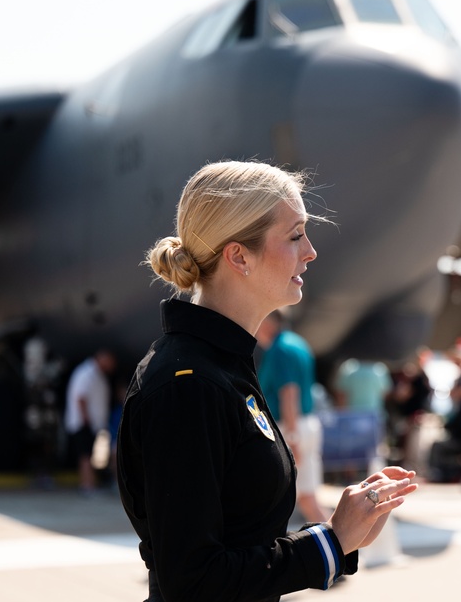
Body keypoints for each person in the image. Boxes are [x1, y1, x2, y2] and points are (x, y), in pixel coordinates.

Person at [116, 160, 418, 602]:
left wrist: (342, 536)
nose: (311, 251)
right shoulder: (190, 383)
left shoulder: (221, 367)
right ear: (238, 256)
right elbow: (194, 580)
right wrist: (330, 543)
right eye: (295, 235)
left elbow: (239, 538)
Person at [256, 309, 326, 523]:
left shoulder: (280, 349)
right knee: (307, 497)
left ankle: (341, 547)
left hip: (290, 427)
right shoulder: (296, 343)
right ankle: (341, 547)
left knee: (278, 497)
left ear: (269, 321)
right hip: (303, 424)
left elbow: (289, 393)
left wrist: (292, 436)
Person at [64, 349, 116, 494]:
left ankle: (90, 484)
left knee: (90, 455)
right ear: (102, 358)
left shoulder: (97, 374)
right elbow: (81, 398)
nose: (112, 366)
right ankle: (87, 485)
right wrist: (86, 418)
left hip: (93, 423)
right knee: (85, 455)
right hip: (84, 423)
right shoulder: (86, 373)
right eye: (110, 362)